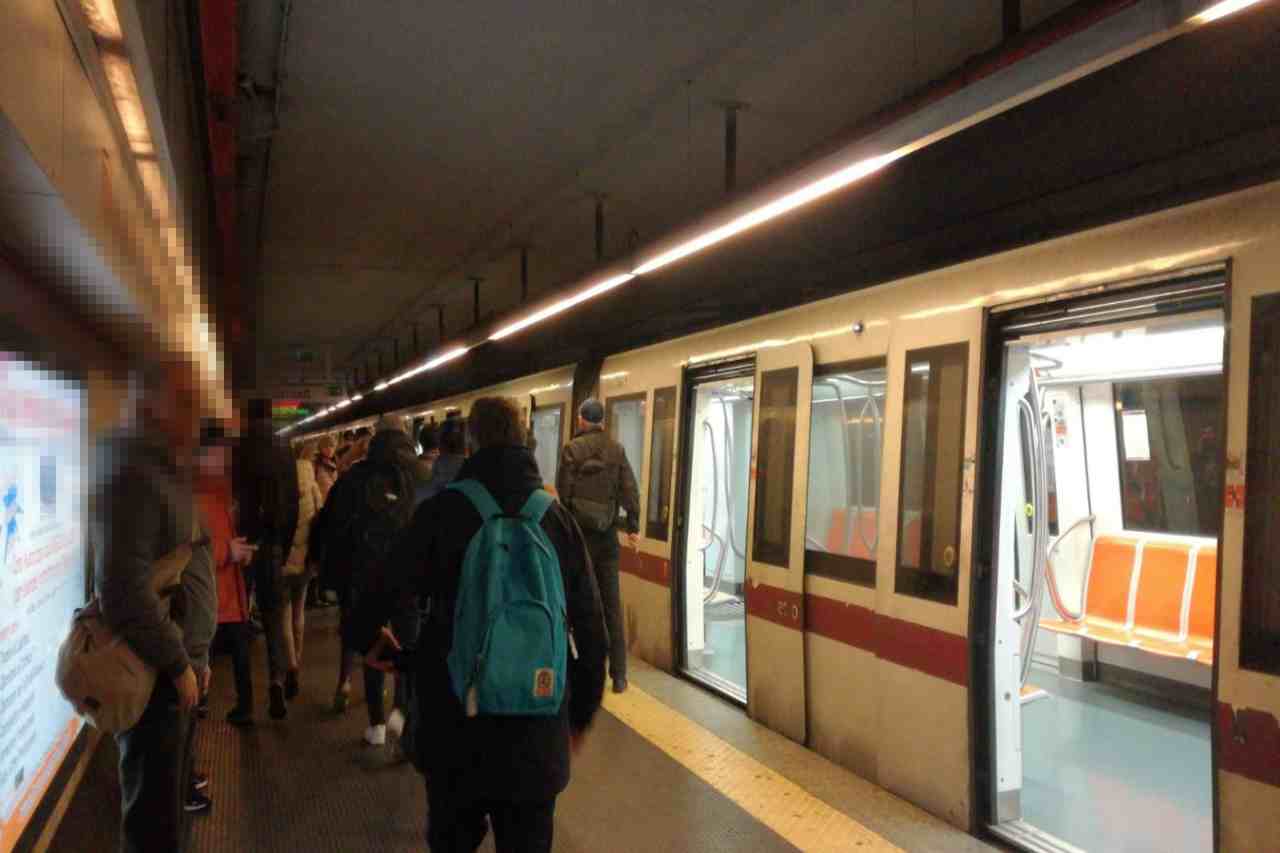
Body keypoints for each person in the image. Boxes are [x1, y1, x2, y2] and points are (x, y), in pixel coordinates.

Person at [350, 396, 607, 853]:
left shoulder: (441, 513)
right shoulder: (557, 520)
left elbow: (378, 591)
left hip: (455, 732)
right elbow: (592, 632)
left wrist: (372, 641)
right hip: (536, 734)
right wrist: (580, 717)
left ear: (472, 442)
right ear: (525, 440)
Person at [94, 359, 202, 853]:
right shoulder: (134, 473)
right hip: (150, 669)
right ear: (149, 403)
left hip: (166, 663)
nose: (195, 415)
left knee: (163, 809)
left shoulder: (158, 468)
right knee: (152, 820)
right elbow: (122, 587)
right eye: (185, 402)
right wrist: (178, 663)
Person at [309, 426, 423, 743]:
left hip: (367, 580)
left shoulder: (353, 479)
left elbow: (329, 523)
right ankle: (401, 713)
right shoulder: (418, 480)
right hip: (408, 582)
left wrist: (327, 569)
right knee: (407, 646)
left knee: (376, 646)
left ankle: (377, 725)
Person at [557, 398, 641, 694]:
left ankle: (584, 669)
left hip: (580, 539)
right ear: (602, 421)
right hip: (607, 538)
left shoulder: (571, 449)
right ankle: (619, 676)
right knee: (611, 606)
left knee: (578, 603)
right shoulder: (616, 450)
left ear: (581, 420)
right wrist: (633, 526)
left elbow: (564, 494)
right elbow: (630, 491)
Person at [235, 398, 300, 720]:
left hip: (242, 544)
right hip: (273, 542)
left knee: (239, 619)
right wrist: (284, 548)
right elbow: (293, 503)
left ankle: (245, 700)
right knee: (274, 617)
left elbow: (232, 496)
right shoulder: (284, 448)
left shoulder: (238, 447)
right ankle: (276, 681)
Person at [179, 423, 228, 815]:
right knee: (180, 716)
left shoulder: (195, 501)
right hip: (184, 637)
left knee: (188, 716)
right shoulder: (181, 503)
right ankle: (179, 787)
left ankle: (184, 773)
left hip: (195, 635)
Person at [197, 428, 258, 727]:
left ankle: (244, 707)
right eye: (219, 454)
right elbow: (191, 553)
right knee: (204, 655)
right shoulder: (196, 498)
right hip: (210, 595)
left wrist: (240, 553)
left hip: (230, 592)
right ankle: (198, 706)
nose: (224, 461)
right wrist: (228, 551)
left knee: (239, 655)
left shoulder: (221, 494)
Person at [280, 438, 323, 698]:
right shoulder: (314, 486)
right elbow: (321, 520)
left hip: (285, 562)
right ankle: (299, 656)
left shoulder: (282, 482)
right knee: (299, 613)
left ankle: (291, 665)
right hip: (306, 561)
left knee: (285, 616)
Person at [315, 433, 339, 502]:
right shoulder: (316, 464)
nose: (329, 449)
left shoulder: (334, 462)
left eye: (331, 446)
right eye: (325, 446)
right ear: (320, 448)